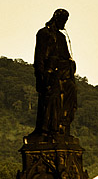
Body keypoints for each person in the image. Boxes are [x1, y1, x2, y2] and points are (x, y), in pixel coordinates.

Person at [33, 8, 77, 138]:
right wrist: (42, 75)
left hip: (63, 72)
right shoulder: (43, 33)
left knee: (71, 89)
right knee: (54, 93)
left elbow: (66, 56)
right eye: (63, 20)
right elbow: (39, 57)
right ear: (56, 19)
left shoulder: (62, 37)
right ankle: (50, 128)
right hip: (50, 74)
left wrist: (70, 64)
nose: (64, 23)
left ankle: (63, 125)